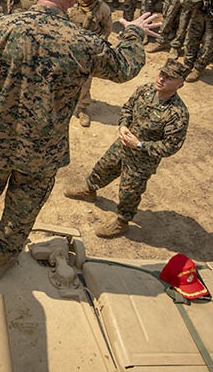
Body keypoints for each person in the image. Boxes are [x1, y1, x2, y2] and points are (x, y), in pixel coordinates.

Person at [0, 0, 159, 280]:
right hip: (42, 153)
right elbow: (125, 66)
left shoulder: (0, 29)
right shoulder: (82, 42)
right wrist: (134, 33)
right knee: (22, 210)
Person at [64, 59, 189, 238]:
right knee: (104, 167)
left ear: (180, 85)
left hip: (143, 159)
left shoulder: (178, 113)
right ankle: (89, 190)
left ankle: (122, 222)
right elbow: (128, 109)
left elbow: (171, 146)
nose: (162, 79)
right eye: (162, 73)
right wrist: (123, 125)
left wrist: (139, 145)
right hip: (122, 144)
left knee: (129, 191)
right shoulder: (146, 90)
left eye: (169, 78)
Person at [67, 0, 112, 127]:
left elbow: (107, 29)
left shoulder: (103, 8)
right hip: (67, 48)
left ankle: (82, 109)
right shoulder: (70, 2)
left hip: (87, 53)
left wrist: (96, 46)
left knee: (85, 82)